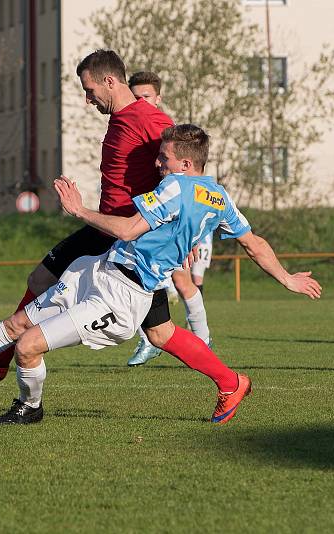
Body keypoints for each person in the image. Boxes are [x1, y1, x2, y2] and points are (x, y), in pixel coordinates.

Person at [0, 124, 322, 425]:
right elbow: (254, 242)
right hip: (96, 270)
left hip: (121, 297)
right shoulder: (220, 196)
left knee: (27, 345)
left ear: (186, 163)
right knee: (18, 324)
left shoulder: (175, 186)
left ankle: (30, 407)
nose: (157, 163)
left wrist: (79, 210)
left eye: (164, 157)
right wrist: (286, 279)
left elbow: (129, 228)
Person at [0, 50, 174, 382]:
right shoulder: (119, 119)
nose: (87, 99)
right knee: (40, 280)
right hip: (104, 227)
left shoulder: (149, 119)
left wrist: (183, 226)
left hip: (127, 236)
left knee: (161, 333)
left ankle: (230, 381)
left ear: (109, 81)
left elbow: (179, 173)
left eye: (89, 90)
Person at [126, 71, 212, 366]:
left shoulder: (164, 132)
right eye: (134, 97)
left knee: (182, 280)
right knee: (138, 275)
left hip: (173, 217)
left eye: (145, 97)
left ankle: (202, 341)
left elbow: (187, 181)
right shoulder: (130, 127)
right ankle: (150, 338)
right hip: (147, 214)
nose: (139, 102)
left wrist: (186, 234)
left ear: (158, 99)